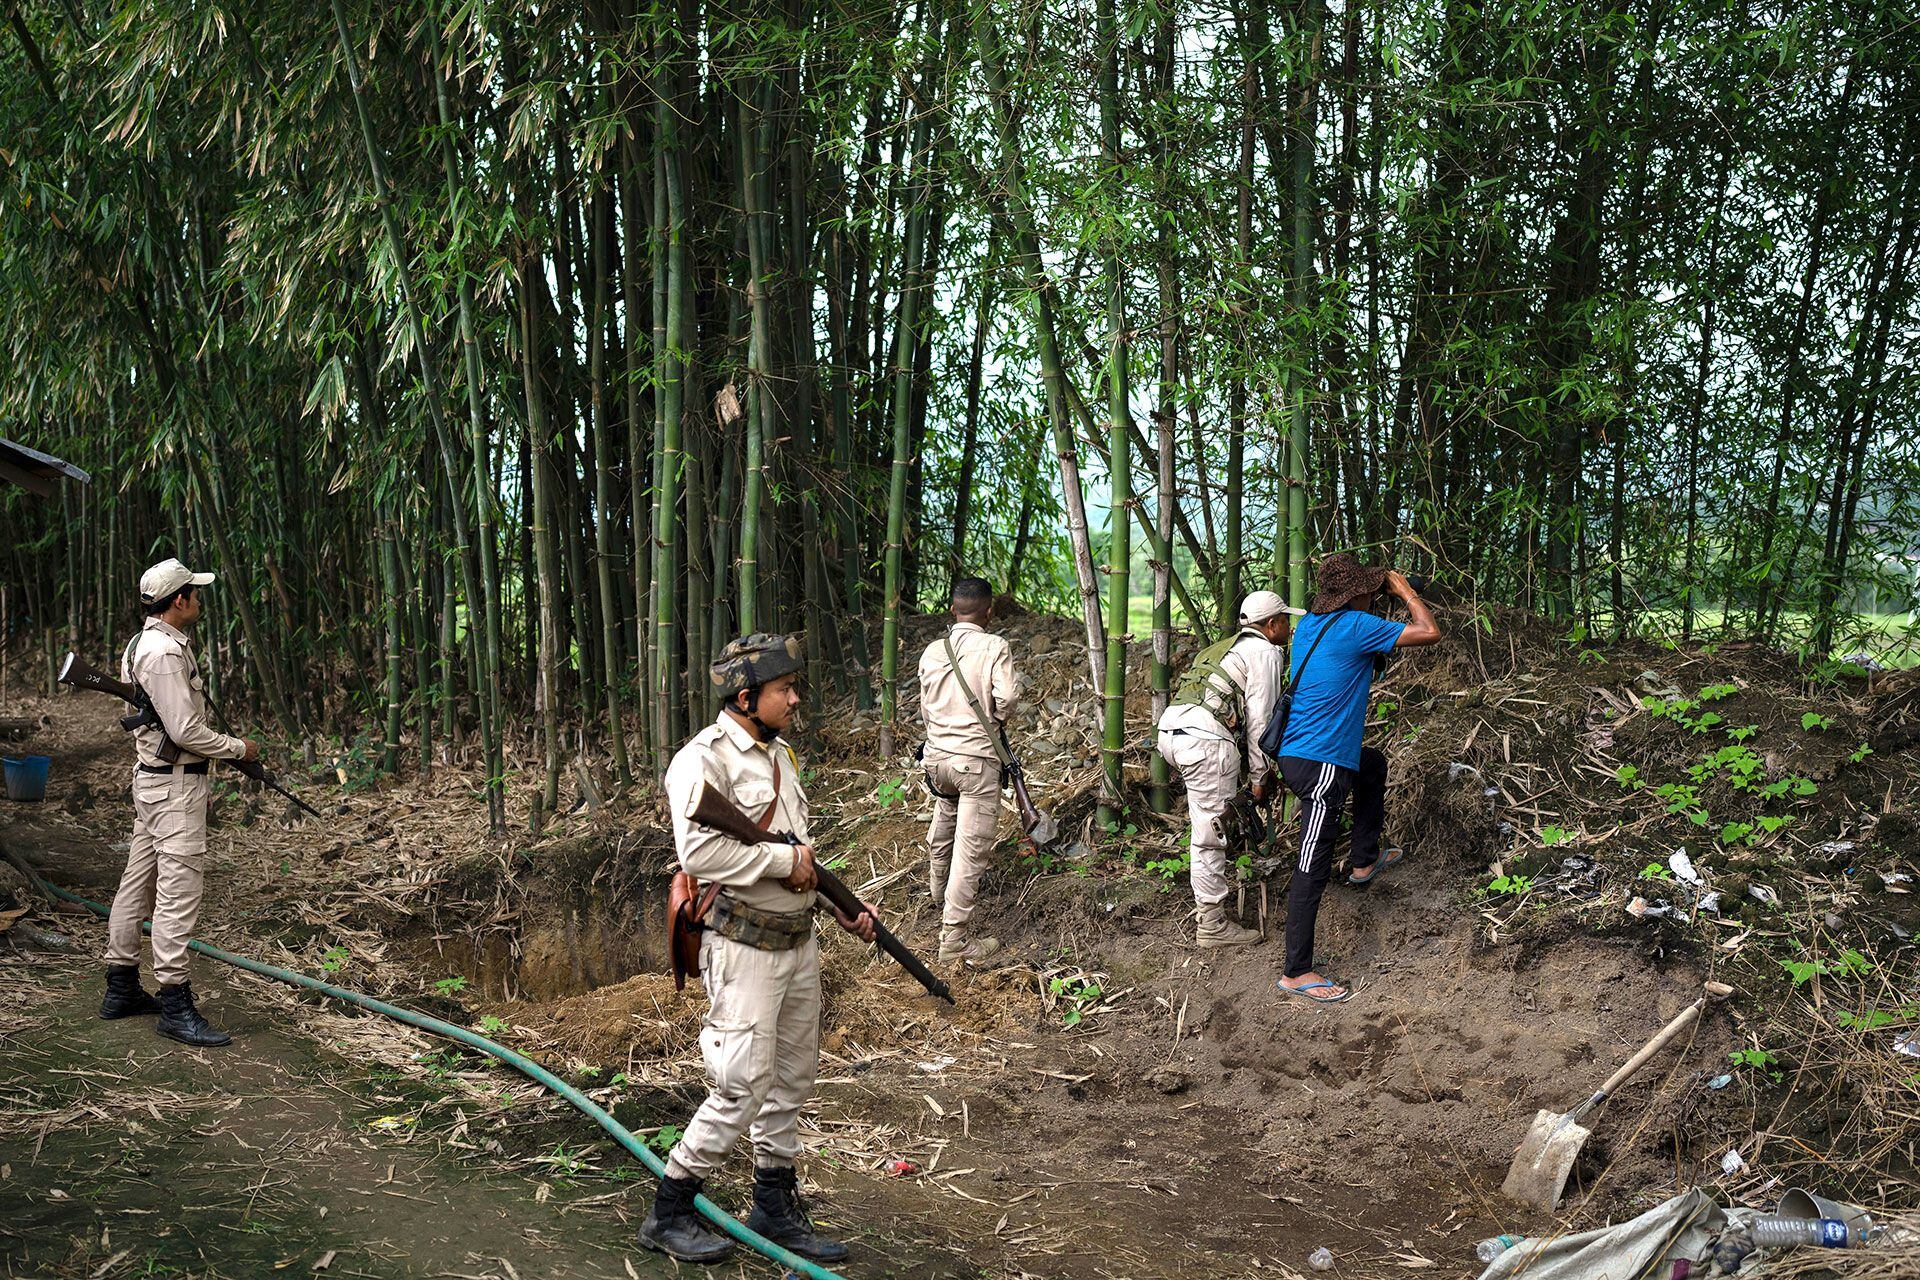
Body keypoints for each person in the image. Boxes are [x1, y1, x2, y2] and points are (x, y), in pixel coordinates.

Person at [639, 633, 878, 1266]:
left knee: (792, 1079)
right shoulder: (702, 762)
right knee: (741, 1084)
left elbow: (799, 853)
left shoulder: (780, 756)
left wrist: (841, 904)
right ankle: (670, 1210)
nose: (795, 699)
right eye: (784, 690)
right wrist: (785, 861)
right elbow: (700, 854)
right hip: (743, 947)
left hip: (796, 941)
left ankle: (773, 1207)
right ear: (747, 697)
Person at [100, 558, 259, 1047]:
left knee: (137, 884)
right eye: (193, 591)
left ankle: (121, 986)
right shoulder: (165, 652)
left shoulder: (140, 643)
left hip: (153, 780)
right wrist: (239, 749)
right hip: (173, 787)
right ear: (178, 600)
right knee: (176, 894)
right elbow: (186, 729)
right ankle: (174, 1002)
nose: (198, 598)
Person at [1274, 554, 1441, 1004]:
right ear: (1358, 595)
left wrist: (1376, 594)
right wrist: (1405, 592)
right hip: (1321, 764)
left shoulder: (1311, 624)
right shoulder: (1355, 627)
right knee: (1312, 863)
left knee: (1372, 765)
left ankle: (1365, 860)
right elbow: (1429, 631)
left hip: (1300, 753)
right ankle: (1297, 971)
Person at [1155, 590, 1301, 947]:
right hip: (1205, 741)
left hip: (1171, 732)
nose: (1289, 628)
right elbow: (1260, 723)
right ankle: (1212, 924)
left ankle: (1213, 905)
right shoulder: (1265, 651)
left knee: (1212, 822)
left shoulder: (1226, 647)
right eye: (1285, 621)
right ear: (1271, 625)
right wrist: (1260, 777)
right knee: (1210, 833)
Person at [917, 576, 1020, 964]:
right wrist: (998, 717)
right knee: (971, 847)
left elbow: (926, 706)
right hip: (975, 760)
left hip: (936, 758)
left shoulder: (931, 651)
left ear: (951, 609)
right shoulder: (995, 645)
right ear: (990, 611)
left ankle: (936, 892)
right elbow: (1007, 696)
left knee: (945, 817)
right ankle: (954, 940)